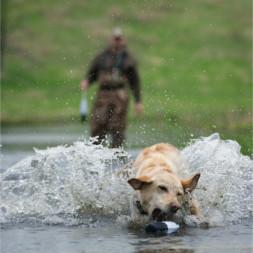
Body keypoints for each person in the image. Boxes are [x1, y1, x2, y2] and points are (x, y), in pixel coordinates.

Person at [80, 28, 143, 147]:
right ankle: (95, 153)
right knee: (98, 124)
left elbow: (135, 82)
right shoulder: (101, 57)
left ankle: (116, 155)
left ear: (123, 40)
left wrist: (138, 101)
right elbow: (92, 73)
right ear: (111, 40)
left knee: (117, 127)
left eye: (119, 39)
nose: (117, 42)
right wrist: (87, 81)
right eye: (115, 39)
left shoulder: (128, 59)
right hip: (102, 96)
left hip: (120, 96)